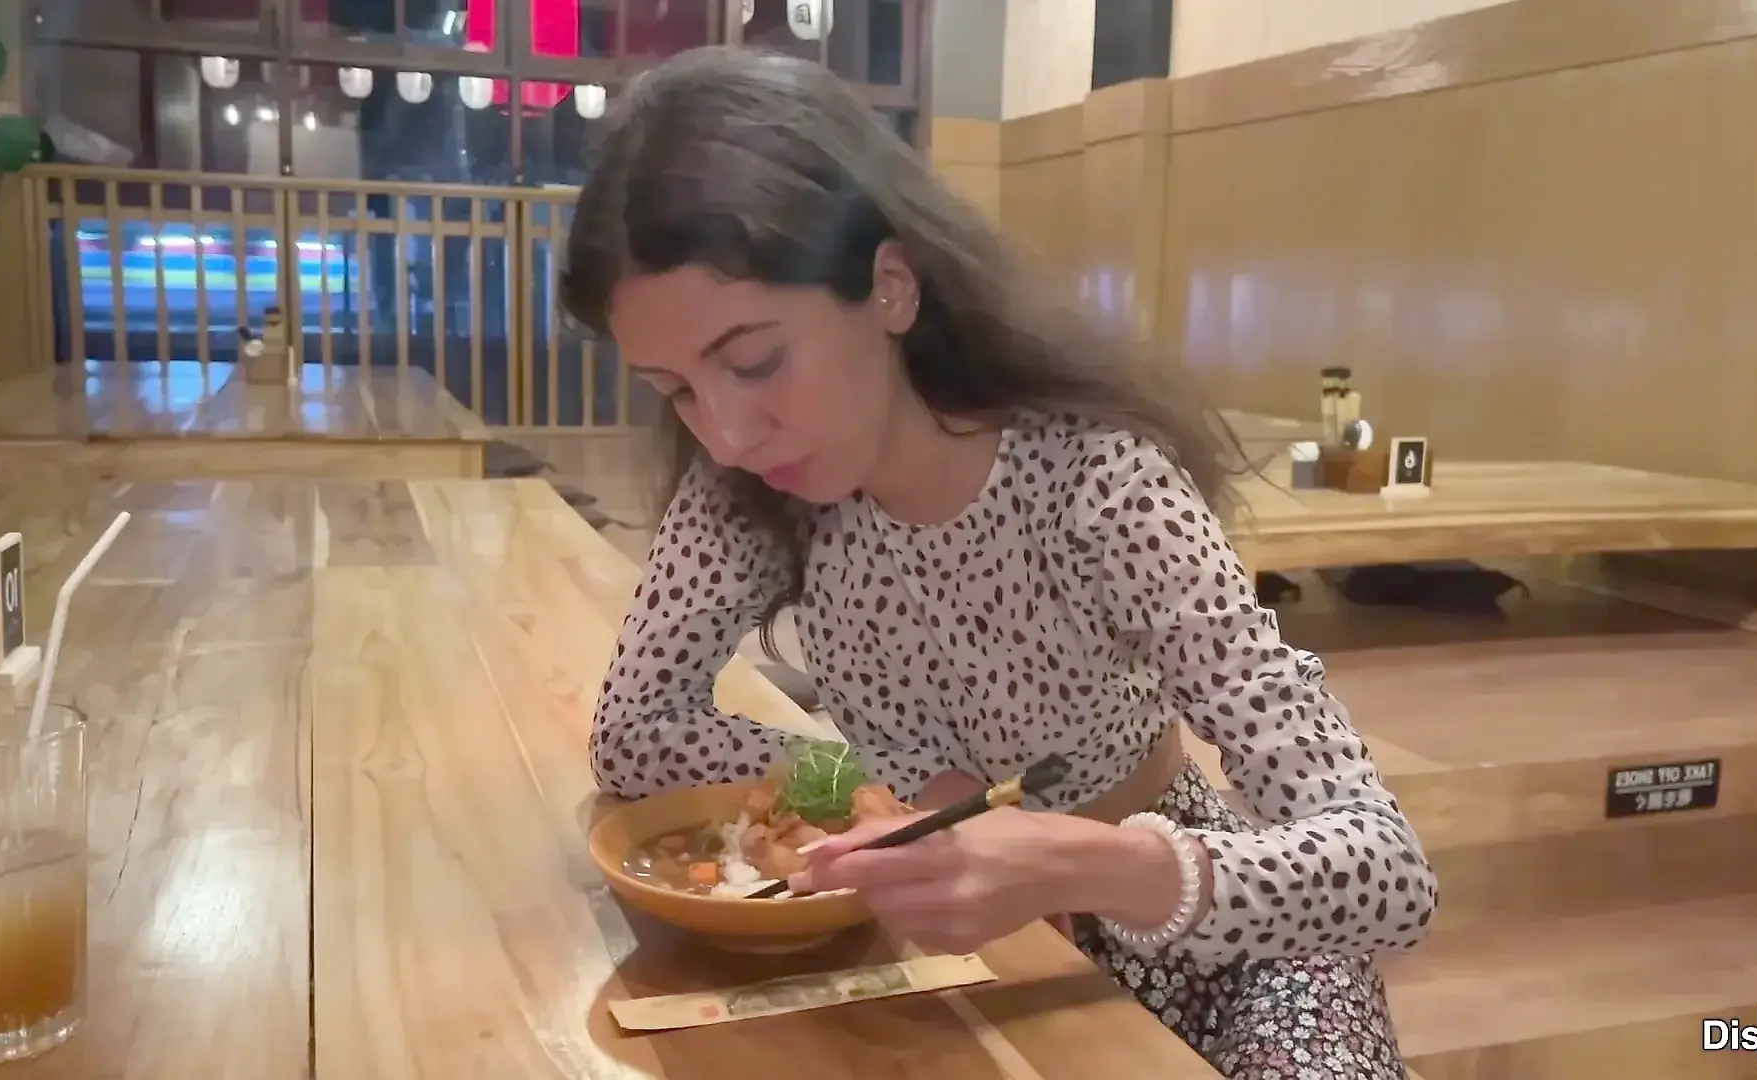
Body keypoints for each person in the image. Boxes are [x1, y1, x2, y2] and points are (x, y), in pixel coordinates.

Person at [564, 45, 1438, 1080]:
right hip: (967, 953)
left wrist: (1079, 861)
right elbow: (635, 730)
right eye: (676, 391)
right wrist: (863, 789)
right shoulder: (752, 492)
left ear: (889, 287)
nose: (725, 433)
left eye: (755, 362)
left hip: (1211, 940)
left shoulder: (1098, 483)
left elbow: (1388, 870)